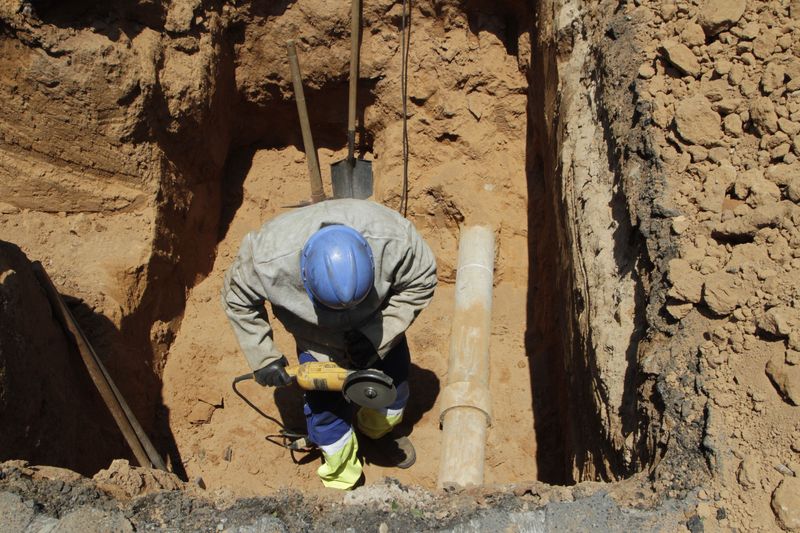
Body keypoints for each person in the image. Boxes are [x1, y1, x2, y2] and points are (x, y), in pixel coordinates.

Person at [221, 198, 437, 490]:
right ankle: (342, 475)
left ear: (372, 260)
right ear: (304, 278)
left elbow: (422, 281)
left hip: (380, 330)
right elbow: (238, 300)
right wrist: (262, 356)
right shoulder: (266, 259)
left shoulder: (394, 239)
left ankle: (377, 433)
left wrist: (377, 337)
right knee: (326, 416)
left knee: (393, 390)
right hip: (317, 342)